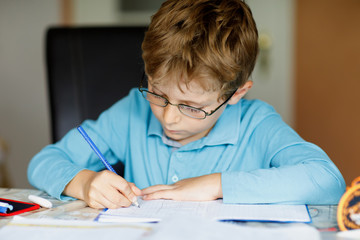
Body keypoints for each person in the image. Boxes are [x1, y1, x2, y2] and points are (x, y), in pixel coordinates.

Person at [28, 0, 345, 209]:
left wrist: (216, 185)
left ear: (236, 93)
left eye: (192, 107)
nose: (169, 118)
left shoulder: (257, 124)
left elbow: (327, 180)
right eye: (157, 93)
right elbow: (44, 161)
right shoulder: (132, 111)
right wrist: (84, 183)